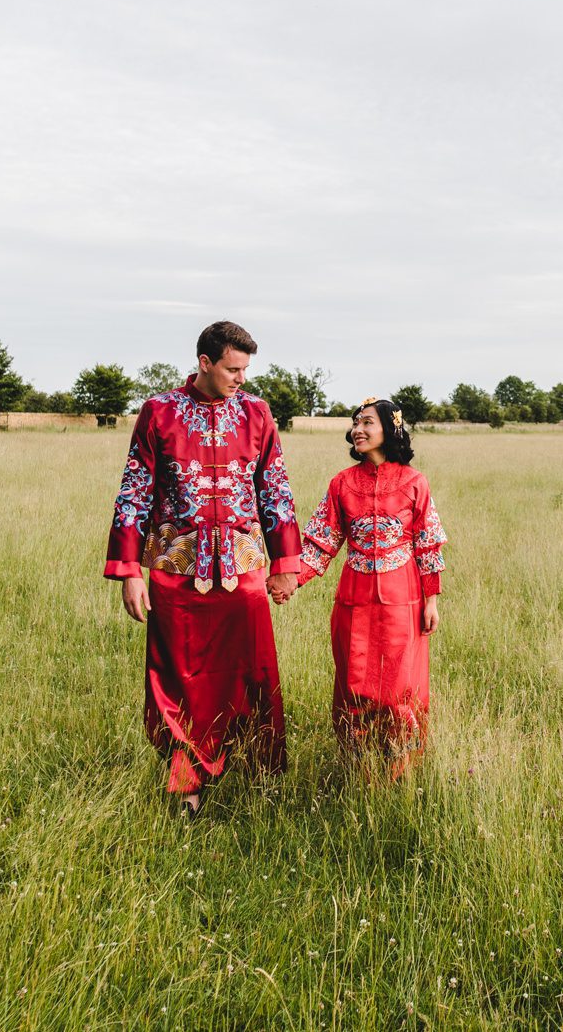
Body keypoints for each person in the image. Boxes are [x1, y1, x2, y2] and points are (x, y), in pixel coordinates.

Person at [104, 320, 303, 812]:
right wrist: (129, 570)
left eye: (246, 369)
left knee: (250, 672)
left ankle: (258, 776)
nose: (241, 378)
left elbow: (274, 489)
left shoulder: (257, 413)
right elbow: (135, 491)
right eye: (232, 369)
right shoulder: (159, 412)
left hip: (246, 569)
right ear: (205, 363)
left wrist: (286, 563)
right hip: (175, 570)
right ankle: (187, 781)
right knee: (177, 678)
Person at [279, 397, 447, 779]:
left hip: (404, 600)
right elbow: (321, 542)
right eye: (356, 423)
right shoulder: (342, 483)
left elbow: (427, 544)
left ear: (390, 428)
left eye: (367, 422)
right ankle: (359, 768)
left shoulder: (414, 482)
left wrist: (431, 599)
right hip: (353, 600)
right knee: (355, 683)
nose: (358, 429)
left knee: (398, 688)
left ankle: (400, 770)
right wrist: (290, 578)